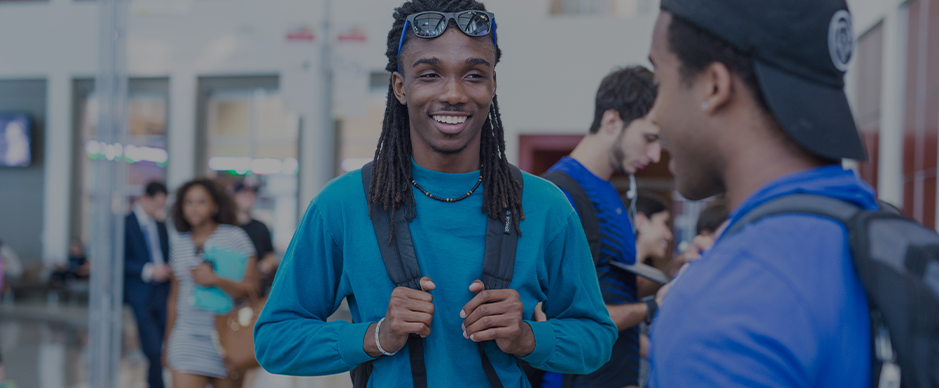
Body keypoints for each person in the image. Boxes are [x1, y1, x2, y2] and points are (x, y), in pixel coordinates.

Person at [254, 1, 617, 386]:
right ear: (400, 86)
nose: (454, 93)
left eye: (474, 75)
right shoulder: (343, 205)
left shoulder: (544, 207)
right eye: (429, 74)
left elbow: (596, 339)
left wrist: (528, 336)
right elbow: (275, 339)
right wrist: (376, 336)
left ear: (493, 85)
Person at [646, 0, 873, 386]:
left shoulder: (719, 308)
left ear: (713, 85)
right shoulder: (890, 242)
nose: (654, 115)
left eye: (659, 84)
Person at [541, 66, 660, 388]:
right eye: (649, 138)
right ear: (612, 121)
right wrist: (652, 307)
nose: (655, 154)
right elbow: (553, 314)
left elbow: (612, 286)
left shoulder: (610, 193)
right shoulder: (558, 195)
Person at [165, 178, 258, 388]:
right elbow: (173, 300)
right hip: (186, 337)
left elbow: (252, 289)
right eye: (188, 202)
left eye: (201, 202)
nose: (194, 208)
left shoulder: (235, 238)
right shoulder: (179, 244)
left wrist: (215, 280)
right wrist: (167, 344)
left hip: (227, 338)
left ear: (215, 205)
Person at [124, 181, 171, 388]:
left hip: (163, 290)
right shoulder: (125, 223)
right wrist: (150, 270)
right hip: (140, 291)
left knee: (161, 341)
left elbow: (165, 253)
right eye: (157, 204)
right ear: (145, 198)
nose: (159, 209)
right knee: (152, 345)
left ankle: (155, 381)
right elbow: (120, 260)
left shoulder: (160, 225)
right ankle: (156, 384)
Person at [231, 182, 277, 297]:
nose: (249, 197)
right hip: (230, 287)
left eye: (252, 194)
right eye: (244, 193)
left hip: (255, 290)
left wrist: (266, 265)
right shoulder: (226, 226)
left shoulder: (261, 227)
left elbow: (270, 255)